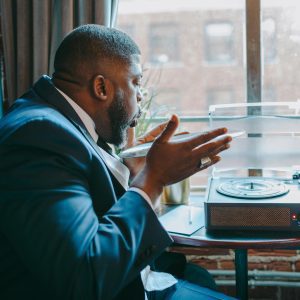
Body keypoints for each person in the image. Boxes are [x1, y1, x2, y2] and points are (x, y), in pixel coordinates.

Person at [0, 24, 235, 300]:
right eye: (135, 82)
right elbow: (83, 279)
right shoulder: (38, 136)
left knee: (199, 276)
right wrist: (153, 180)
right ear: (101, 87)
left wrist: (131, 168)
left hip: (133, 279)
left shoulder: (62, 119)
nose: (141, 95)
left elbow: (85, 185)